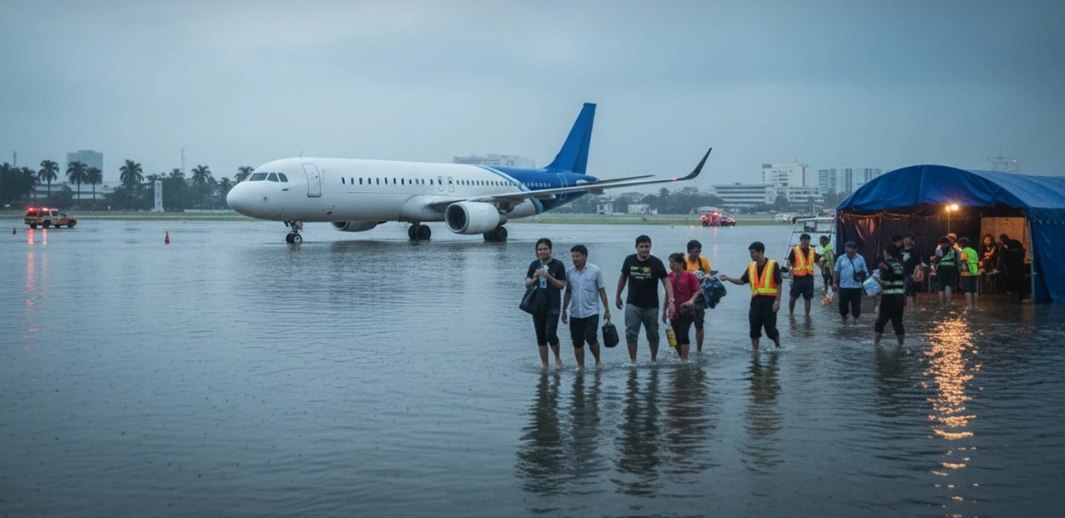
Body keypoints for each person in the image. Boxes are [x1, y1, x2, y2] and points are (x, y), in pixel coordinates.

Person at [616, 235, 674, 364]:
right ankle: (633, 362)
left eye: (647, 246)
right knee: (631, 334)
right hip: (632, 304)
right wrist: (618, 296)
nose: (644, 250)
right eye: (641, 247)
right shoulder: (629, 260)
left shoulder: (656, 262)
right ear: (636, 247)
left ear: (650, 247)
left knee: (653, 334)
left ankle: (653, 360)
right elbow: (623, 278)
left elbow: (666, 282)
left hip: (651, 306)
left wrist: (671, 301)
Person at [720, 241, 782, 350]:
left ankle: (777, 343)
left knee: (770, 330)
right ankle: (755, 353)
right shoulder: (751, 266)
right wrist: (728, 278)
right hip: (755, 303)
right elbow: (741, 281)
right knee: (754, 331)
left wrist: (777, 301)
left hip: (769, 303)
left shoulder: (773, 265)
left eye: (753, 252)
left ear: (760, 252)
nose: (751, 255)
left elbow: (779, 283)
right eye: (750, 252)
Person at [561, 244, 611, 370]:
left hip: (591, 312)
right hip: (575, 313)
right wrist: (564, 311)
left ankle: (597, 360)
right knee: (577, 342)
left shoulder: (595, 271)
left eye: (577, 256)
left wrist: (607, 310)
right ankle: (581, 367)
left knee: (591, 337)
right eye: (573, 256)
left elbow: (602, 291)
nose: (575, 259)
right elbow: (568, 292)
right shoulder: (569, 272)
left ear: (585, 256)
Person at [525, 238, 567, 369]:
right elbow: (527, 284)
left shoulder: (558, 265)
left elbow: (561, 285)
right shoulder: (533, 265)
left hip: (553, 304)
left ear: (550, 250)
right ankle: (544, 365)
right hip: (537, 304)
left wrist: (548, 276)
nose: (542, 252)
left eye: (545, 249)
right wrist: (535, 278)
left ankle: (557, 358)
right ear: (536, 252)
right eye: (539, 249)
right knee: (540, 336)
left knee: (550, 333)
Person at [666, 253, 702, 362]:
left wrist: (691, 301)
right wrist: (664, 311)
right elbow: (667, 294)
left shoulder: (689, 275)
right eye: (670, 262)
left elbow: (698, 290)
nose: (671, 264)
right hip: (673, 310)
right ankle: (681, 356)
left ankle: (684, 360)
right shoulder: (669, 276)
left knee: (683, 334)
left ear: (681, 263)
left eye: (673, 262)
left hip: (687, 310)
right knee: (674, 337)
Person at [873, 244, 906, 346]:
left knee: (880, 322)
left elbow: (886, 283)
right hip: (900, 298)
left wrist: (876, 278)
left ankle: (875, 346)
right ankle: (901, 346)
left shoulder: (885, 265)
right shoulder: (899, 265)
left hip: (889, 298)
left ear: (887, 252)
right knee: (898, 323)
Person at [683, 239, 712, 352]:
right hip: (685, 296)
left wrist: (705, 278)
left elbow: (709, 275)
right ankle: (684, 349)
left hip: (699, 298)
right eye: (694, 251)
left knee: (699, 324)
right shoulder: (683, 261)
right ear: (689, 251)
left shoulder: (703, 261)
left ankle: (699, 350)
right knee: (684, 324)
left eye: (698, 251)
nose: (696, 254)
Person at [833, 241, 868, 322]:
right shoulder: (841, 258)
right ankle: (844, 321)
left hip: (857, 287)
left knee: (856, 307)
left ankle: (854, 322)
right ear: (845, 250)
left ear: (856, 250)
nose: (850, 253)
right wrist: (834, 283)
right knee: (842, 306)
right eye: (848, 251)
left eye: (852, 251)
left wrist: (865, 280)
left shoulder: (860, 258)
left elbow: (865, 272)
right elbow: (836, 271)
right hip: (843, 287)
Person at [786, 233, 818, 317]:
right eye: (803, 240)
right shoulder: (795, 250)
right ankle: (791, 313)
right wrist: (790, 278)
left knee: (808, 298)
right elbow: (789, 264)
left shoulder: (812, 250)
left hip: (809, 277)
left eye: (807, 240)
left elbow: (818, 260)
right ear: (800, 241)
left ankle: (807, 316)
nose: (805, 242)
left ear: (809, 241)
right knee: (793, 297)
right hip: (797, 278)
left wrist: (824, 267)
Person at [901, 234, 925, 307]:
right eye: (905, 240)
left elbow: (919, 265)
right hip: (900, 274)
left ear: (912, 241)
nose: (906, 241)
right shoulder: (900, 252)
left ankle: (912, 307)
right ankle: (906, 307)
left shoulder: (915, 253)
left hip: (911, 275)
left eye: (908, 240)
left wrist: (915, 275)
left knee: (911, 292)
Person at [933, 236, 957, 304]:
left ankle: (941, 302)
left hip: (942, 268)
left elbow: (937, 259)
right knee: (948, 285)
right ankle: (948, 302)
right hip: (951, 268)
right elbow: (956, 259)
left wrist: (935, 266)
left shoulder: (939, 249)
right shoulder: (953, 249)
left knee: (941, 286)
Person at [958, 236, 979, 308]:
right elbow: (977, 260)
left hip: (966, 272)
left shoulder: (964, 251)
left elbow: (963, 261)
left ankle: (969, 306)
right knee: (974, 289)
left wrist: (962, 270)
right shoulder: (974, 251)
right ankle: (975, 305)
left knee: (967, 289)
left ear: (962, 244)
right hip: (974, 271)